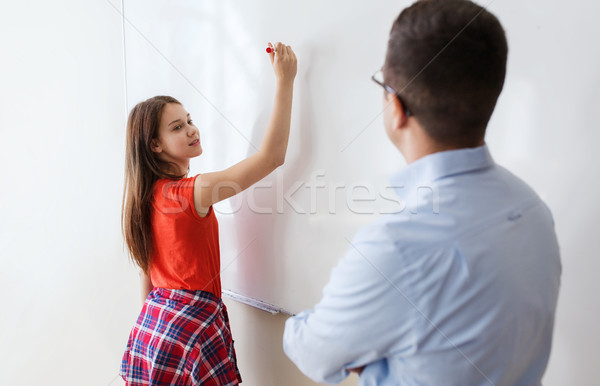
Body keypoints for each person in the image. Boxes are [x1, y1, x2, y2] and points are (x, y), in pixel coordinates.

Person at [282, 1, 561, 385]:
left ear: (395, 107)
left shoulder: (395, 249)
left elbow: (312, 351)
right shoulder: (532, 208)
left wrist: (360, 347)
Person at [119, 42, 297, 385]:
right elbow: (272, 157)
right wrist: (285, 81)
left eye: (189, 120)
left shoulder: (144, 197)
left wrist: (155, 328)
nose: (191, 129)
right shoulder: (191, 193)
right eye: (176, 127)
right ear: (154, 145)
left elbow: (148, 276)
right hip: (190, 332)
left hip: (152, 329)